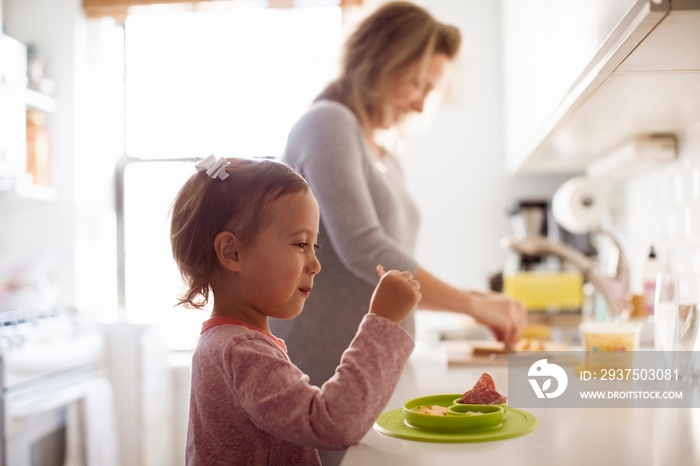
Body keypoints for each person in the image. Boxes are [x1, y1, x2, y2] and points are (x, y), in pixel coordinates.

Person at [270, 1, 526, 387]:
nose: (421, 103)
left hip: (373, 366)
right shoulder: (327, 122)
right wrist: (474, 307)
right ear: (382, 61)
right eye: (419, 84)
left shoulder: (383, 154)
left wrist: (477, 299)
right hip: (325, 368)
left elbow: (392, 263)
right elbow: (365, 248)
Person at [169, 155, 421, 465]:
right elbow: (335, 423)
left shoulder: (226, 342)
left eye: (315, 246)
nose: (315, 265)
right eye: (301, 244)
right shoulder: (240, 350)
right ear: (232, 252)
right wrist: (382, 322)